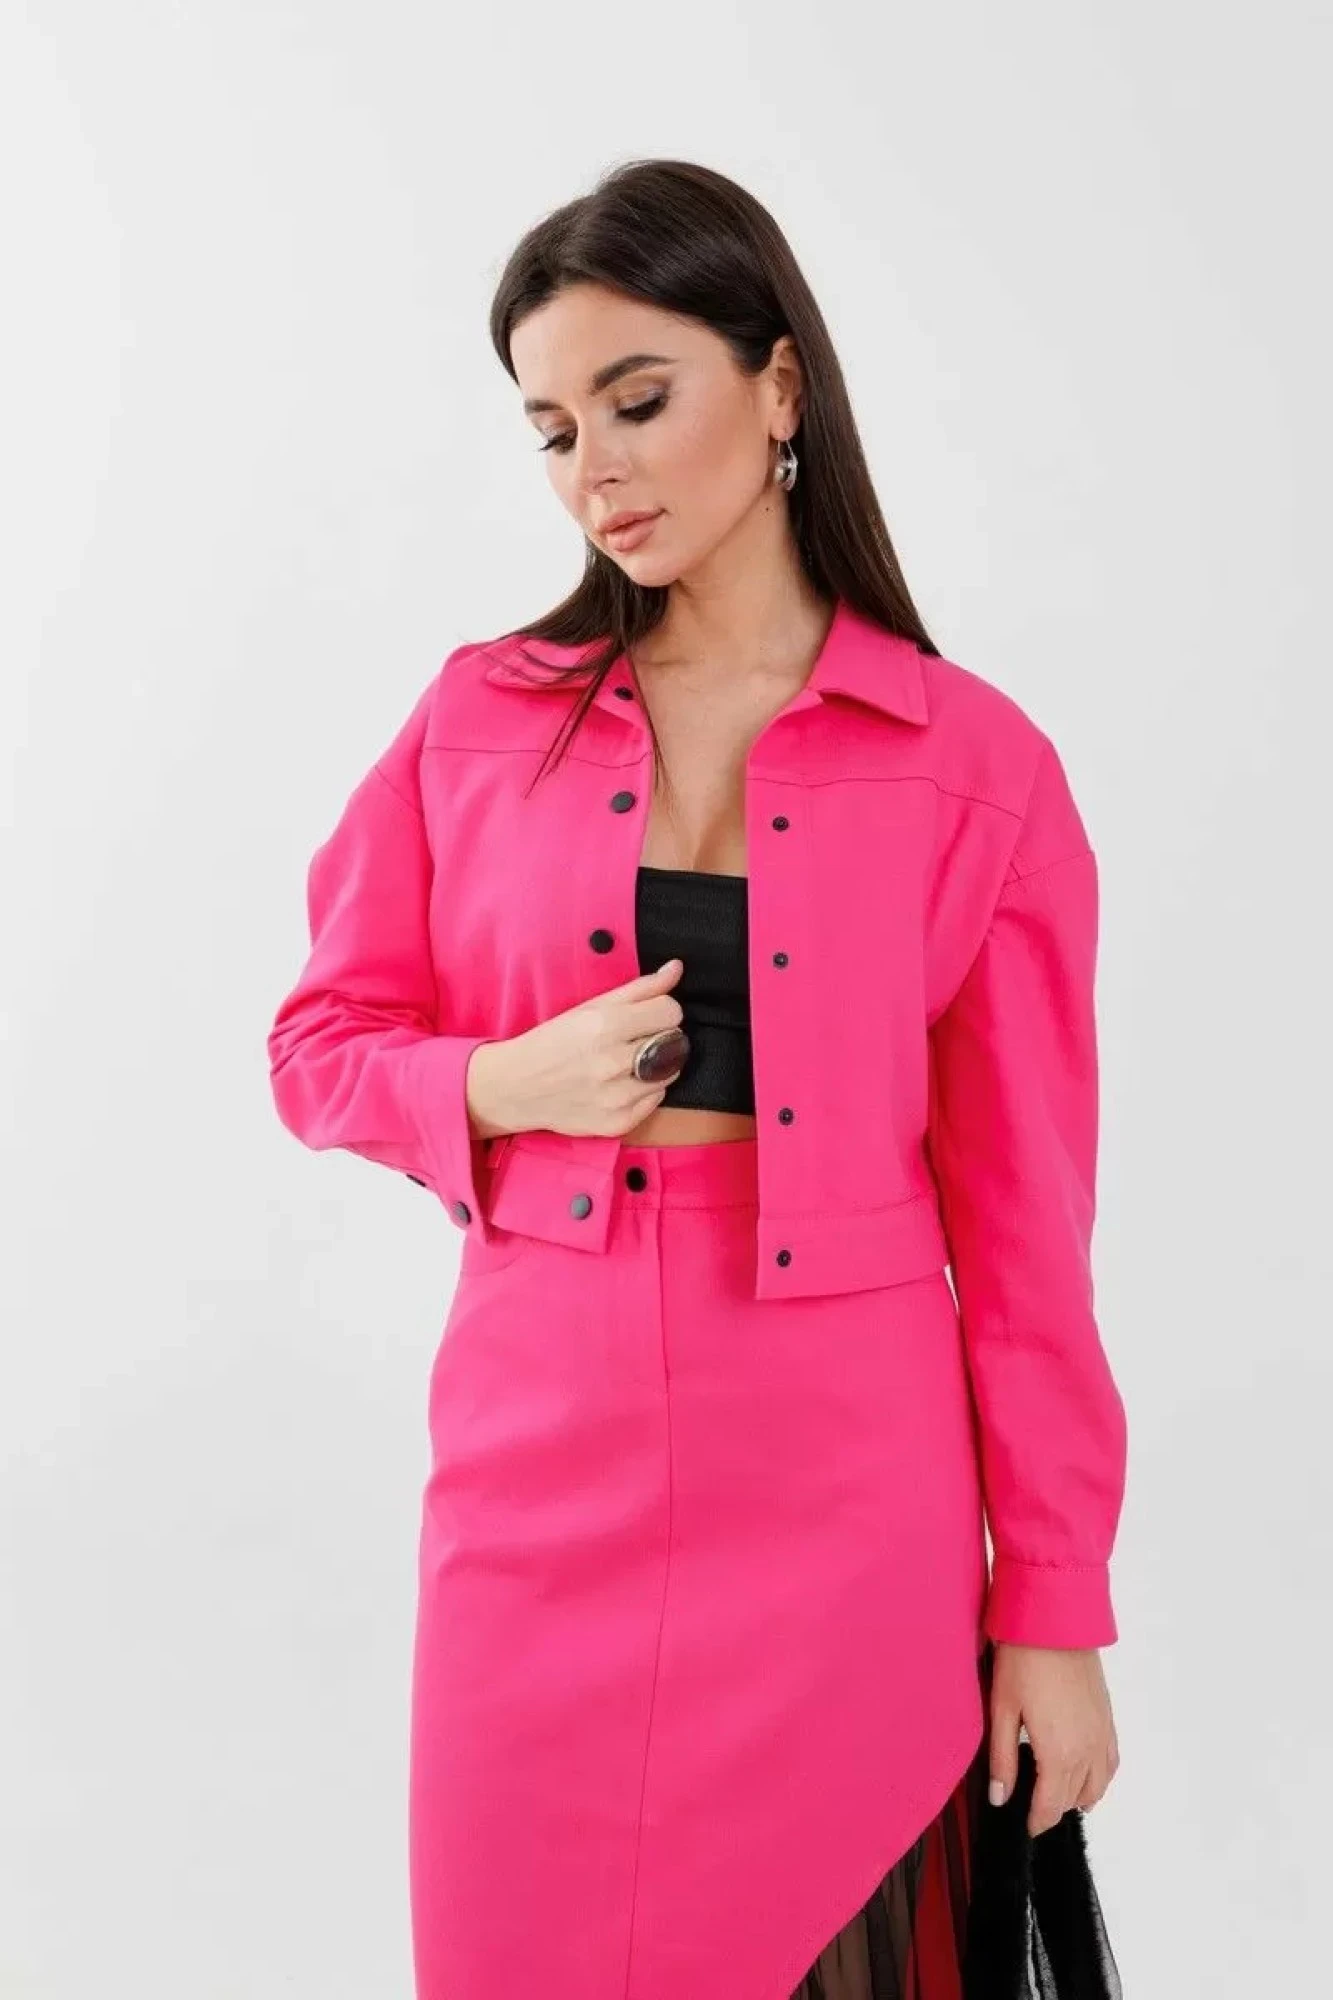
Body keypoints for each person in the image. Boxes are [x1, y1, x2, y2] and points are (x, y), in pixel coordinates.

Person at [267, 157, 1128, 2000]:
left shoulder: (978, 768)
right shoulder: (479, 716)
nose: (596, 468)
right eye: (553, 429)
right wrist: (500, 1084)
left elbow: (1029, 1242)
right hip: (534, 1476)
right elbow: (317, 1047)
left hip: (848, 1500)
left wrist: (1055, 1609)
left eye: (639, 400)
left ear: (781, 383)